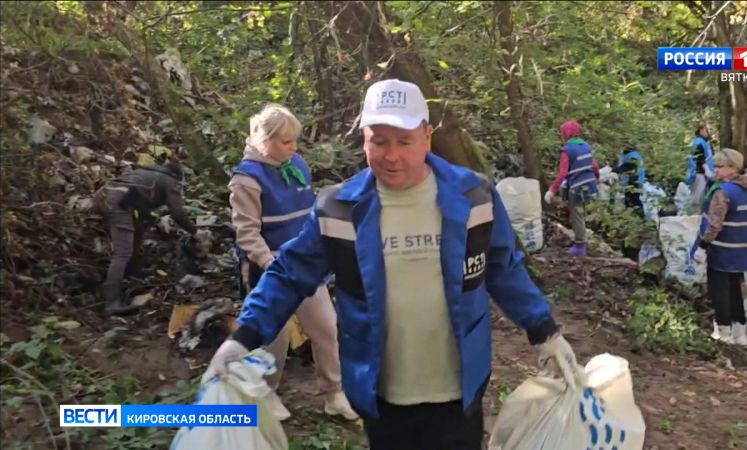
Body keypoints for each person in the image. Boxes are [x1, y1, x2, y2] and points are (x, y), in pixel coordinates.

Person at [209, 79, 580, 450]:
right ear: (364, 140)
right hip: (379, 392)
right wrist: (243, 338)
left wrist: (544, 330)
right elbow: (289, 274)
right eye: (379, 140)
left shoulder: (474, 197)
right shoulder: (340, 209)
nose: (391, 155)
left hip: (458, 388)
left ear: (426, 136)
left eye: (404, 141)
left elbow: (503, 268)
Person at [227, 103, 358, 421]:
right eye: (286, 142)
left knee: (327, 327)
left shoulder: (297, 164)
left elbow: (309, 212)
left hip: (306, 263)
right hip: (269, 267)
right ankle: (267, 393)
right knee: (274, 336)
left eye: (294, 140)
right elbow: (247, 233)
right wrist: (271, 264)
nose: (293, 147)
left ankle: (334, 393)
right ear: (265, 140)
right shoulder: (246, 180)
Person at [98, 159, 202, 315]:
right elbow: (178, 214)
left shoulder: (145, 173)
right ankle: (112, 301)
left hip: (106, 196)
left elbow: (139, 201)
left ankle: (133, 269)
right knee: (122, 252)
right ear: (177, 176)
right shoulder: (169, 180)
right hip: (119, 203)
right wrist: (195, 232)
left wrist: (153, 219)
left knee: (138, 228)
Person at [691, 148, 747, 346]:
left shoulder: (723, 192)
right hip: (743, 249)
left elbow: (715, 223)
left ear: (732, 167)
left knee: (719, 290)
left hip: (723, 249)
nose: (715, 170)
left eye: (719, 167)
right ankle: (740, 333)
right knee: (734, 287)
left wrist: (702, 246)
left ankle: (723, 332)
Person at [543, 120, 600, 256]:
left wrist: (552, 190)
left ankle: (580, 247)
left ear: (566, 134)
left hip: (577, 188)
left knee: (577, 216)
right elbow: (594, 166)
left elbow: (563, 173)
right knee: (581, 214)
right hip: (589, 185)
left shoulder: (567, 150)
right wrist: (597, 179)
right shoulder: (586, 146)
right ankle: (580, 240)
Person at [686, 120, 715, 211]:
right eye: (708, 129)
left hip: (704, 174)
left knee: (704, 198)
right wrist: (707, 170)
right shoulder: (698, 142)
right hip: (700, 174)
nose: (710, 132)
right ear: (701, 129)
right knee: (697, 199)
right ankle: (693, 215)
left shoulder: (704, 142)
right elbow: (700, 158)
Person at [613, 145, 646, 217]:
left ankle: (638, 216)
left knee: (634, 200)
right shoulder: (627, 155)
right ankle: (631, 217)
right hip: (628, 181)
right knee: (629, 200)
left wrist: (616, 170)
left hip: (633, 181)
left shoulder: (633, 155)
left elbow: (629, 166)